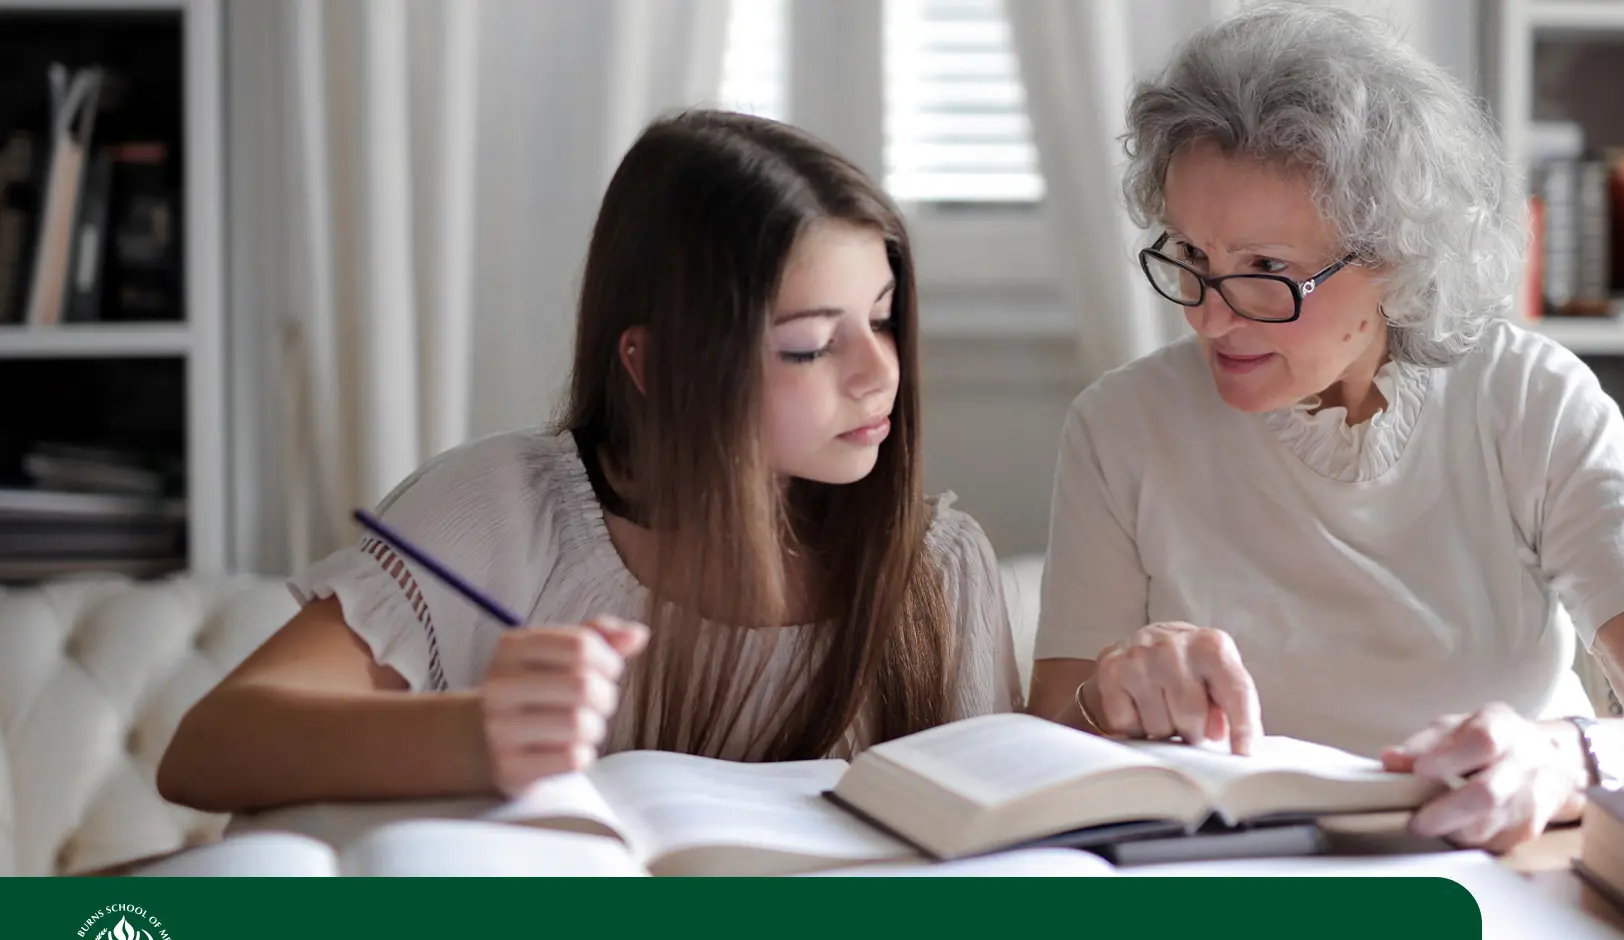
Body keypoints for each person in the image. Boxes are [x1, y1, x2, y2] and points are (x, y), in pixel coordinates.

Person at [1026, 3, 1624, 852]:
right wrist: (1107, 698)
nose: (1209, 319)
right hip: (1232, 881)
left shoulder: (1527, 402)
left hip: (1501, 872)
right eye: (1193, 258)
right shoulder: (1121, 425)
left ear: (1396, 258)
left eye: (1267, 271)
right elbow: (1038, 750)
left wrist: (1563, 759)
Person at [160, 110, 1020, 812]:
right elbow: (210, 748)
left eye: (881, 316)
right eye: (808, 345)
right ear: (655, 365)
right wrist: (474, 734)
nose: (879, 373)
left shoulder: (938, 571)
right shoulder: (503, 511)